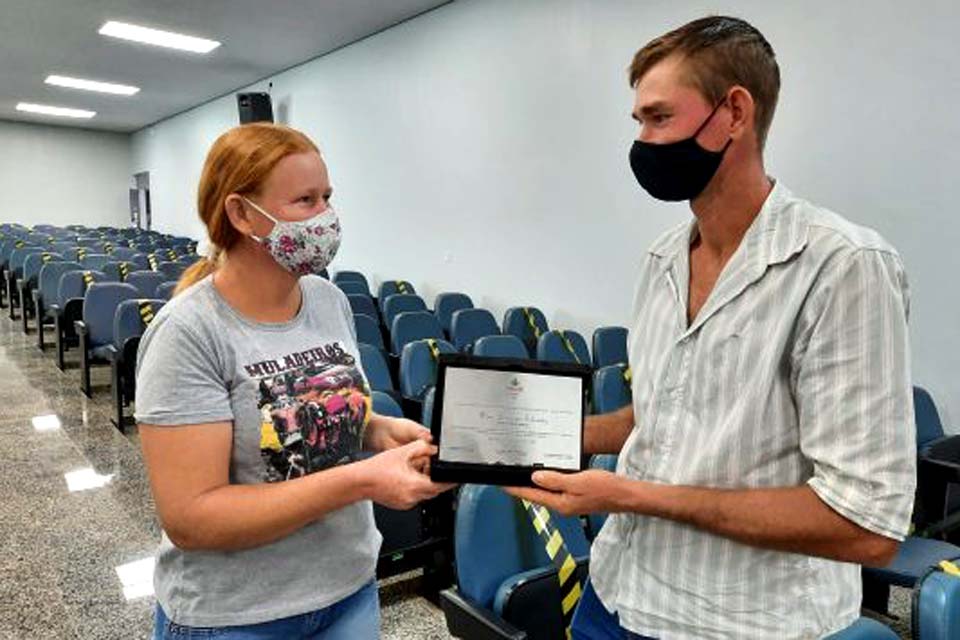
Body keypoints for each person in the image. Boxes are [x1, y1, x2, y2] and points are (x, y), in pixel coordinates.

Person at [508, 16, 916, 639]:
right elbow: (664, 413)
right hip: (616, 594)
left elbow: (866, 525)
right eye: (639, 121)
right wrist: (544, 438)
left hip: (738, 622)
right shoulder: (664, 257)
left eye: (659, 117)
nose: (643, 140)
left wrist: (627, 494)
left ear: (734, 112)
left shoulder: (842, 267)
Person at [136, 122, 452, 639]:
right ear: (241, 214)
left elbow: (306, 407)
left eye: (327, 197)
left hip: (347, 591)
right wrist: (364, 479)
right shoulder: (189, 332)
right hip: (238, 616)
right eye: (305, 200)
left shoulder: (327, 300)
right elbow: (192, 518)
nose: (325, 217)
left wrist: (375, 429)